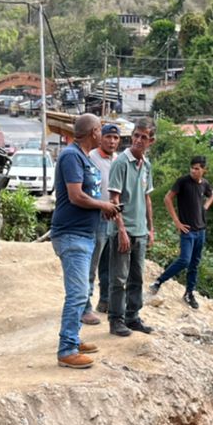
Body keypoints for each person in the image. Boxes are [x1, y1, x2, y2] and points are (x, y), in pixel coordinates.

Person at [50, 113, 120, 369]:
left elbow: (85, 195)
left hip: (84, 234)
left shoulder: (82, 157)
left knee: (80, 292)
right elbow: (76, 196)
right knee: (78, 293)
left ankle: (73, 339)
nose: (103, 135)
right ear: (93, 133)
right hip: (71, 234)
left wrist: (104, 207)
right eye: (101, 130)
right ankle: (66, 350)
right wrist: (102, 204)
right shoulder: (71, 156)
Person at [106, 118, 156, 338]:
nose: (138, 140)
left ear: (151, 141)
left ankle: (132, 317)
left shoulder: (146, 166)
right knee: (119, 278)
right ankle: (115, 319)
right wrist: (122, 230)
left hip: (141, 231)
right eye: (136, 135)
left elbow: (147, 199)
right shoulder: (121, 163)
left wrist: (151, 228)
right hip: (122, 231)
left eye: (143, 137)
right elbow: (114, 199)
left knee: (137, 277)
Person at [149, 155, 213, 309]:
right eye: (192, 167)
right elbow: (167, 198)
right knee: (184, 260)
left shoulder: (204, 184)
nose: (193, 171)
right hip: (187, 229)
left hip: (201, 230)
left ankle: (189, 293)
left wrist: (206, 206)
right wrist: (177, 221)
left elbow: (212, 194)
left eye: (197, 168)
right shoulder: (183, 182)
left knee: (195, 263)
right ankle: (159, 281)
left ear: (204, 170)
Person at [83, 123, 122, 325]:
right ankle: (84, 305)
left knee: (109, 263)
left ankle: (105, 301)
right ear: (101, 138)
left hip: (114, 217)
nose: (112, 141)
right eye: (108, 137)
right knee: (92, 262)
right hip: (97, 216)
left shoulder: (118, 160)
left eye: (115, 138)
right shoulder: (91, 158)